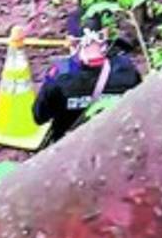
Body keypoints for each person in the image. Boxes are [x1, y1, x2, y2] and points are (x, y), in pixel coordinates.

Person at [33, 12, 142, 142]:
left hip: (69, 146)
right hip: (116, 141)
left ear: (72, 42)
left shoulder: (59, 75)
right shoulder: (126, 69)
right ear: (104, 36)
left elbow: (39, 117)